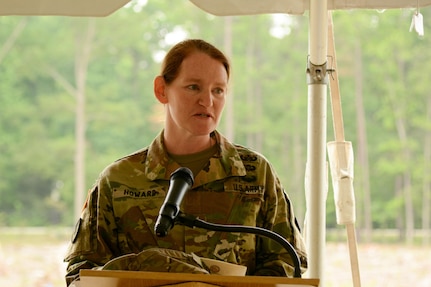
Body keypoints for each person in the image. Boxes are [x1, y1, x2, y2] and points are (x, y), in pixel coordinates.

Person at [64, 39, 307, 285]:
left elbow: (286, 263)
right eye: (193, 87)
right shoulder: (117, 180)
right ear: (162, 90)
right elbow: (82, 274)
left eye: (218, 90)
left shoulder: (255, 174)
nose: (208, 101)